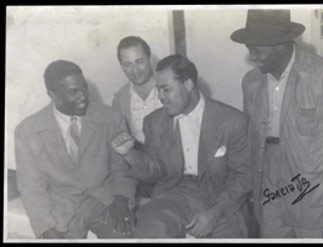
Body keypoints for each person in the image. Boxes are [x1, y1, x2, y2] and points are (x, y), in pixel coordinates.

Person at [230, 9, 323, 238]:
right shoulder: (251, 81)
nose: (252, 57)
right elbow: (251, 140)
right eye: (249, 50)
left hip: (311, 184)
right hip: (268, 180)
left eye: (257, 50)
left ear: (281, 44)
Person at [111, 54, 252, 238]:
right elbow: (155, 171)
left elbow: (244, 176)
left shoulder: (233, 121)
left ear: (187, 85)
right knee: (144, 232)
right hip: (174, 194)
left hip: (221, 198)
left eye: (166, 90)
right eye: (158, 90)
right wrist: (129, 154)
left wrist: (214, 213)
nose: (160, 97)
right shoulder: (154, 122)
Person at [14, 60, 137, 239]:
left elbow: (123, 170)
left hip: (105, 200)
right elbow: (31, 187)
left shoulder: (111, 118)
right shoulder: (27, 131)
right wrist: (45, 228)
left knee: (127, 235)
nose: (83, 96)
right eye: (73, 92)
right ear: (53, 95)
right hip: (61, 207)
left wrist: (121, 198)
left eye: (84, 88)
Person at [112, 36, 162, 147]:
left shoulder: (169, 86)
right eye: (128, 65)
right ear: (121, 66)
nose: (135, 70)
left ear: (149, 59)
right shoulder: (119, 100)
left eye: (139, 62)